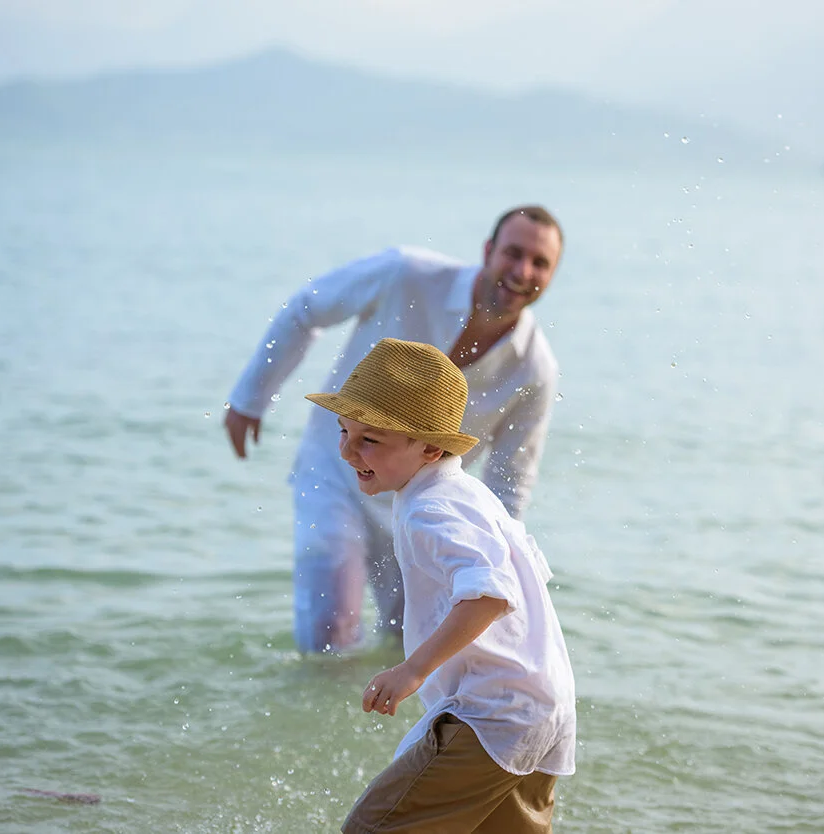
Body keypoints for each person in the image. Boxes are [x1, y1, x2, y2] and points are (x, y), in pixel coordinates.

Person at [224, 205, 564, 655]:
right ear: (488, 250)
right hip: (337, 470)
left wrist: (505, 569)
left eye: (539, 262)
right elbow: (308, 309)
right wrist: (251, 398)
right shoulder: (406, 273)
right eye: (513, 253)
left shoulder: (535, 368)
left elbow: (508, 483)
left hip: (426, 507)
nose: (522, 271)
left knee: (415, 647)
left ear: (553, 274)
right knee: (329, 637)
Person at [303, 337, 575, 833]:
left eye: (370, 440)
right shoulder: (464, 492)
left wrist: (413, 670)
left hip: (491, 715)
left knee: (371, 829)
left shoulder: (432, 508)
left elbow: (492, 594)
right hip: (540, 709)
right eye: (344, 431)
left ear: (430, 447)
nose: (346, 451)